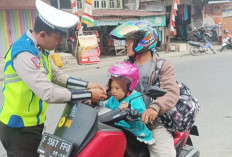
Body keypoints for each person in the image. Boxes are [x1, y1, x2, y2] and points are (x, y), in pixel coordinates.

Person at [0, 0, 107, 157]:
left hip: (33, 125)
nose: (60, 43)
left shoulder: (38, 49)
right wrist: (89, 94)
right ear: (43, 34)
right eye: (58, 38)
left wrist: (88, 84)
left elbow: (56, 75)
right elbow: (48, 93)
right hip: (19, 128)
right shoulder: (25, 54)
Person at [110, 21, 180, 157]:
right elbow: (111, 88)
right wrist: (95, 94)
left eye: (130, 41)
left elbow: (171, 92)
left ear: (143, 42)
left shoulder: (163, 66)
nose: (126, 44)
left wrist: (155, 108)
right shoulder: (125, 65)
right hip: (125, 118)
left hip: (152, 122)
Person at [99, 62, 155, 144]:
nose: (113, 91)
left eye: (117, 88)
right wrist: (96, 102)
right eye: (112, 87)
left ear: (129, 87)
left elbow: (141, 115)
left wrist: (130, 109)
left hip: (135, 135)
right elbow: (105, 106)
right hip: (118, 131)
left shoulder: (135, 100)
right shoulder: (113, 99)